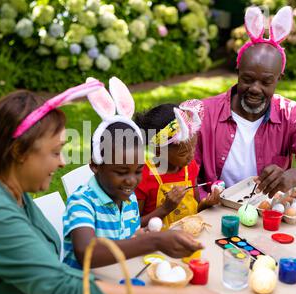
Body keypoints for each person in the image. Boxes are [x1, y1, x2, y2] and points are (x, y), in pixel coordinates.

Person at [0, 81, 225, 294]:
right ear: (19, 152)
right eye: (55, 152)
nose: (62, 162)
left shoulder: (2, 186)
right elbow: (62, 287)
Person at [63, 77, 207, 270]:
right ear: (96, 166)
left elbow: (130, 235)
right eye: (122, 172)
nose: (131, 181)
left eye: (138, 170)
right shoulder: (82, 203)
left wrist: (141, 235)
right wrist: (153, 241)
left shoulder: (128, 200)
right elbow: (87, 254)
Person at [196, 6, 296, 198]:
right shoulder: (202, 113)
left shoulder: (292, 115)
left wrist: (292, 177)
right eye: (247, 79)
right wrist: (203, 199)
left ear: (278, 79)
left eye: (266, 82)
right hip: (213, 212)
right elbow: (171, 166)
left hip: (265, 213)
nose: (255, 88)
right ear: (237, 72)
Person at [134, 100, 221, 229]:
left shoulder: (190, 167)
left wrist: (205, 204)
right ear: (159, 150)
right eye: (183, 153)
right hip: (158, 244)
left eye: (193, 148)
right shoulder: (142, 176)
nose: (191, 156)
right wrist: (165, 209)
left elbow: (195, 207)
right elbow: (134, 225)